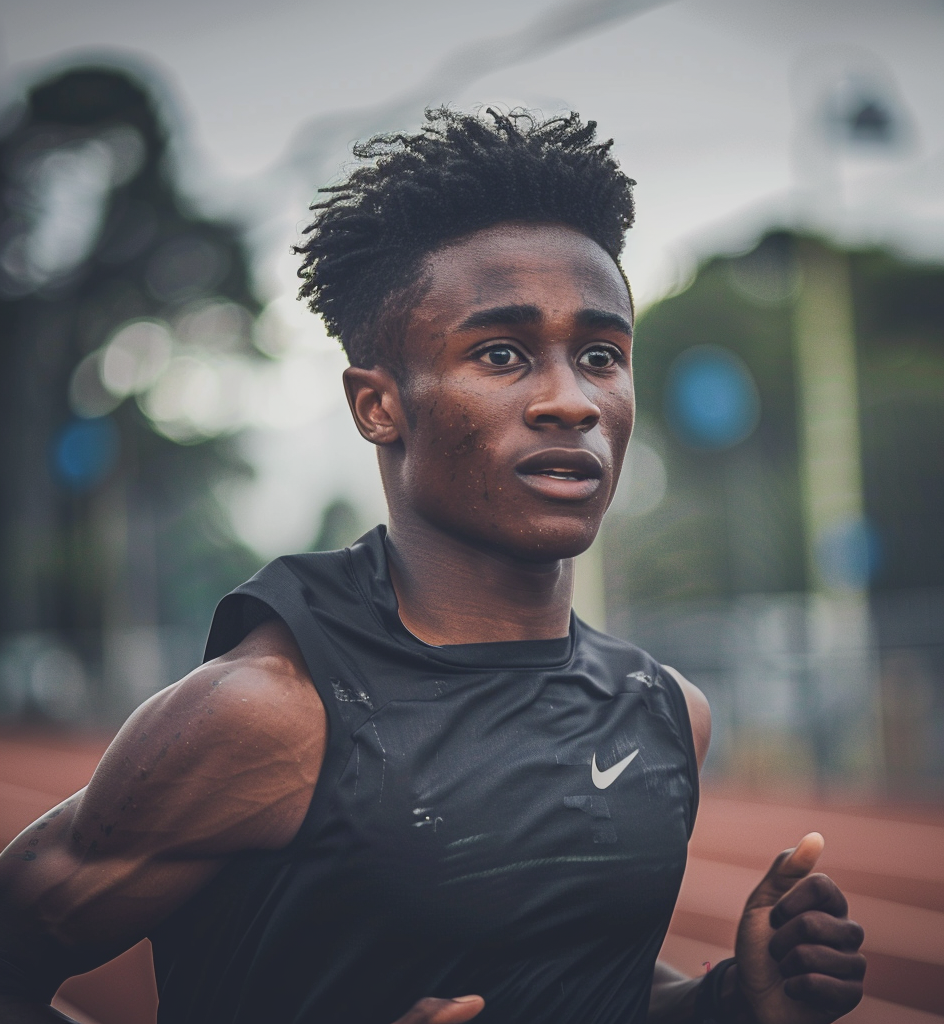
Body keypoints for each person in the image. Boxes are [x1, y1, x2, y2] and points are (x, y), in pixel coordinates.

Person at [0, 109, 865, 1024]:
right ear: (379, 405)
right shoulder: (270, 716)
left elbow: (575, 986)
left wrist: (730, 1002)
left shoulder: (663, 713)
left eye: (601, 355)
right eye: (502, 354)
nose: (571, 401)